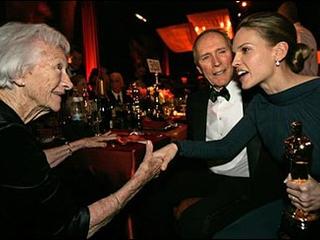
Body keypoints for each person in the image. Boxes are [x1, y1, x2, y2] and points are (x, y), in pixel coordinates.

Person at [154, 11, 320, 238]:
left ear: (279, 52)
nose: (233, 62)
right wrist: (175, 147)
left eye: (245, 50)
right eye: (234, 52)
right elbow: (226, 146)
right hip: (290, 210)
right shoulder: (261, 104)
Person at [0, 21, 163, 239]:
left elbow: (28, 165)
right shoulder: (10, 135)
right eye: (58, 68)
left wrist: (79, 144)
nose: (68, 83)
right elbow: (71, 228)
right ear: (19, 74)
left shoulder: (10, 129)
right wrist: (140, 180)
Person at [135, 29, 282, 239]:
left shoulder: (257, 95)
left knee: (194, 222)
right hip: (210, 176)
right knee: (150, 198)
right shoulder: (196, 101)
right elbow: (198, 147)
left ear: (233, 55)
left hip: (247, 181)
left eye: (221, 52)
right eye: (206, 57)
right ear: (199, 68)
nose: (216, 63)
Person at [278, 1, 318, 75]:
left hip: (305, 83)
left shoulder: (298, 34)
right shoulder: (304, 32)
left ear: (285, 17)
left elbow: (302, 66)